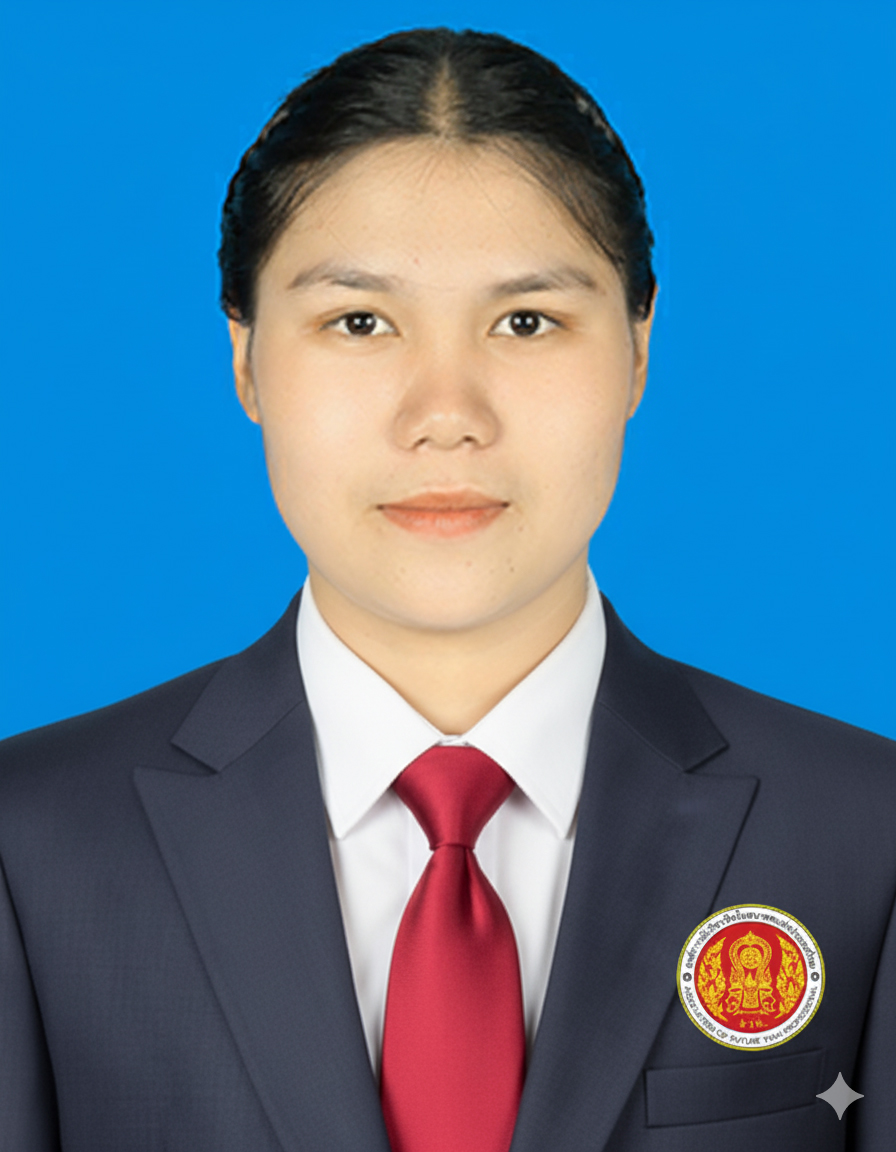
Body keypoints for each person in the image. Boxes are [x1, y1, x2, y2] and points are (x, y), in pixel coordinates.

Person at [0, 27, 893, 1152]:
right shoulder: (32, 845)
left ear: (636, 351)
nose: (445, 414)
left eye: (525, 322)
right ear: (245, 360)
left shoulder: (865, 833)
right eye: (359, 322)